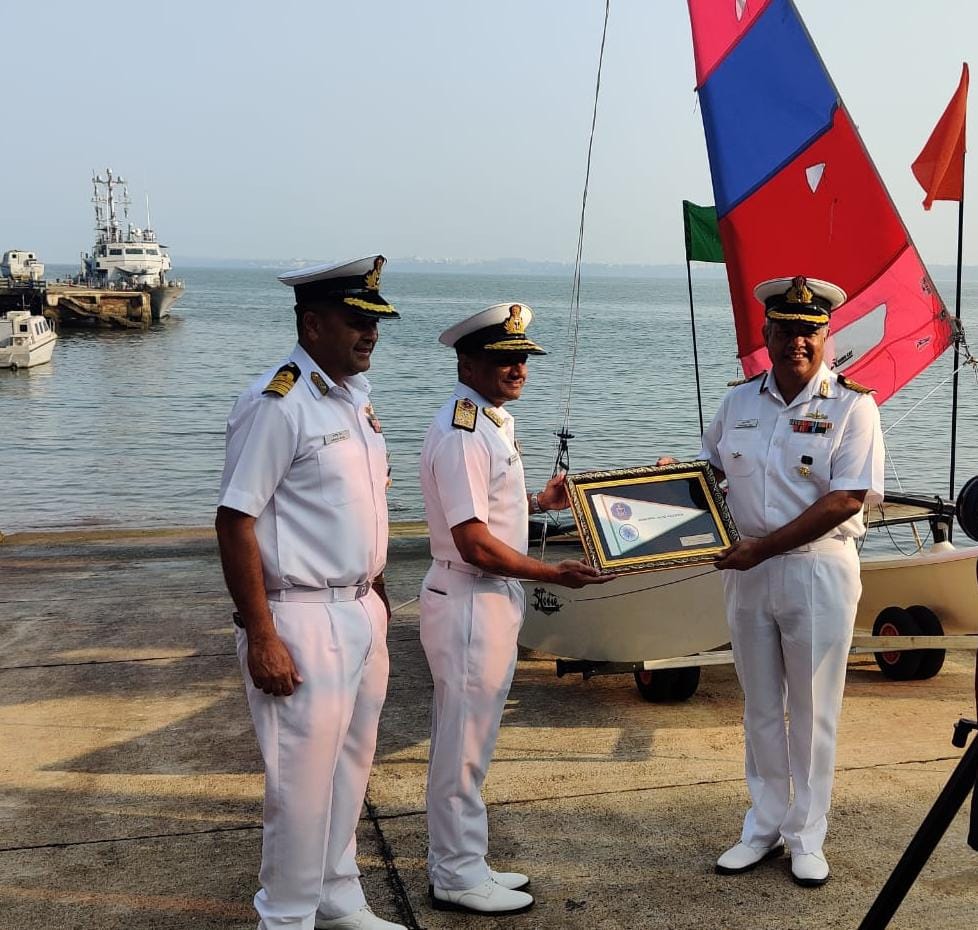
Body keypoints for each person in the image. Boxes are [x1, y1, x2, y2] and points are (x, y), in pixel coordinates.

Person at [664, 275, 884, 887]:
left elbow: (846, 499)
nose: (797, 341)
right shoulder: (738, 402)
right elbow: (710, 473)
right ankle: (762, 826)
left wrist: (763, 548)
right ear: (766, 333)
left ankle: (806, 835)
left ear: (826, 336)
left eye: (809, 330)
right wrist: (666, 484)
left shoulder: (852, 406)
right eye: (786, 329)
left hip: (817, 569)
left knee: (813, 710)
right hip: (748, 573)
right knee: (761, 706)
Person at [215, 255, 406, 930]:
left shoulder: (353, 400)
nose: (370, 335)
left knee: (352, 765)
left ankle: (337, 894)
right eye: (356, 322)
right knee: (299, 786)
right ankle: (286, 917)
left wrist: (378, 601)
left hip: (359, 610)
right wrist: (261, 633)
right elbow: (235, 520)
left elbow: (360, 511)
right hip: (298, 616)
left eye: (375, 322)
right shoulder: (279, 402)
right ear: (313, 322)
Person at [419, 302, 614, 915]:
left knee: (475, 739)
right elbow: (474, 542)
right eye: (504, 358)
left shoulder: (491, 424)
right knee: (462, 743)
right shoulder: (462, 433)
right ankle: (453, 874)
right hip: (470, 594)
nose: (518, 368)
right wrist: (552, 572)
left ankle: (467, 861)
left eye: (523, 358)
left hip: (490, 596)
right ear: (468, 362)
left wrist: (536, 501)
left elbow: (490, 512)